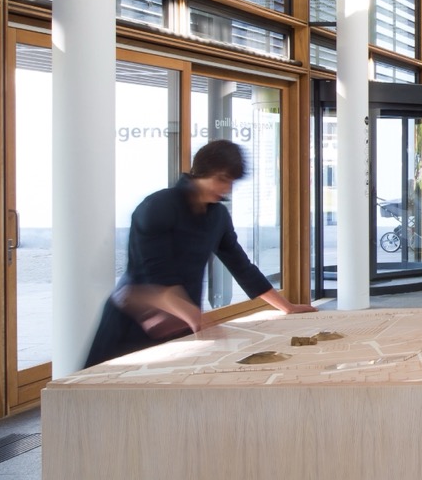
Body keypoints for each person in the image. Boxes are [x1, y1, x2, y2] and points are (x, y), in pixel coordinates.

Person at [84, 139, 316, 368]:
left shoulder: (218, 216)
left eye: (231, 182)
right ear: (200, 173)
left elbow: (241, 266)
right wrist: (196, 318)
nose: (226, 189)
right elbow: (157, 275)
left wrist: (287, 307)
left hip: (180, 323)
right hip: (133, 322)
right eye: (221, 179)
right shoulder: (157, 206)